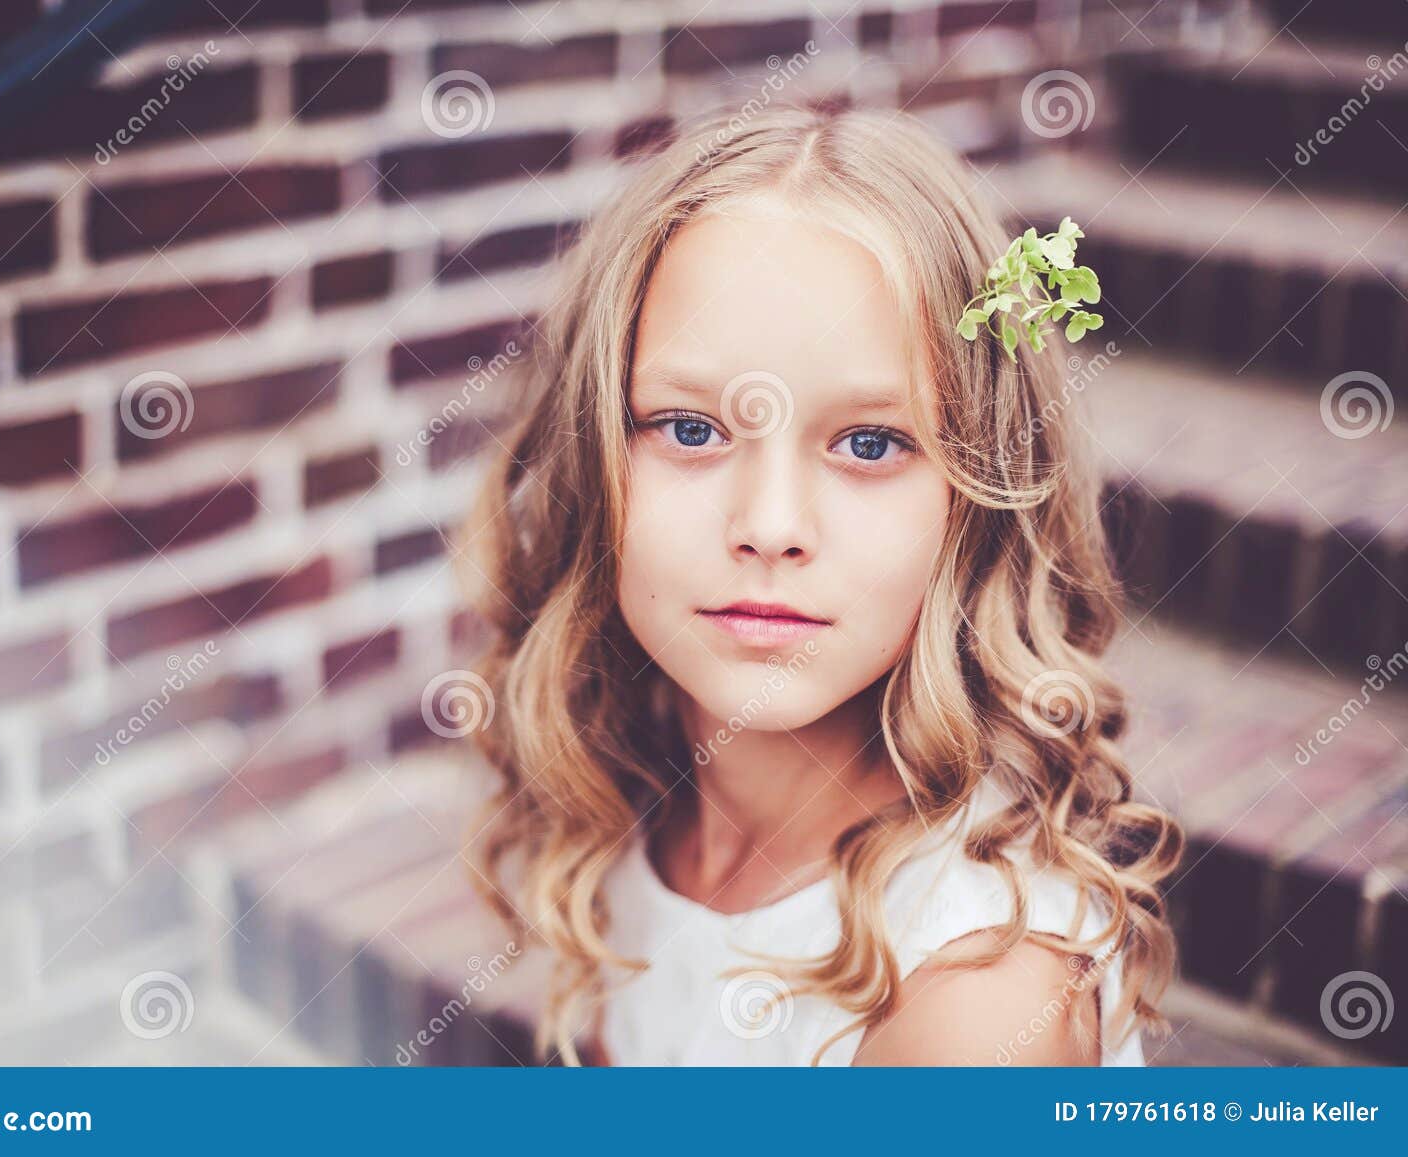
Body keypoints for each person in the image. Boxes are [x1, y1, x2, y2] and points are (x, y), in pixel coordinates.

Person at [453, 102, 1182, 1067]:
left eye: (869, 443)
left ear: (975, 506)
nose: (770, 527)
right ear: (593, 458)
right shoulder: (643, 795)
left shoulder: (974, 1004)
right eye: (690, 428)